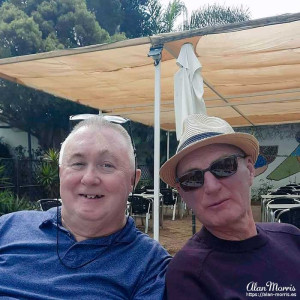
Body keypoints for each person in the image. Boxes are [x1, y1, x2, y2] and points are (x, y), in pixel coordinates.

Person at [0, 116, 171, 299]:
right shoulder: (7, 227)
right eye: (78, 164)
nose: (89, 178)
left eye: (107, 165)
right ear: (60, 174)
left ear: (132, 181)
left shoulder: (151, 266)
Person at [160, 113, 300, 300]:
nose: (211, 187)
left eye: (225, 166)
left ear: (250, 170)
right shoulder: (189, 274)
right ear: (182, 194)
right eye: (192, 179)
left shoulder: (292, 238)